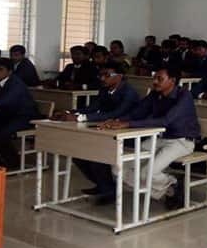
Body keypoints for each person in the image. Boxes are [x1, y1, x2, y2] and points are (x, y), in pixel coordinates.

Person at [99, 66, 200, 210]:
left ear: (172, 80)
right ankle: (170, 188)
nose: (155, 82)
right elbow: (137, 113)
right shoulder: (155, 94)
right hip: (159, 139)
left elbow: (166, 120)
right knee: (117, 168)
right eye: (154, 78)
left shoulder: (184, 95)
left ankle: (171, 184)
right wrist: (116, 121)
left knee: (147, 173)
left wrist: (128, 124)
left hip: (182, 141)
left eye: (160, 79)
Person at [51, 62, 140, 204]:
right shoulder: (104, 89)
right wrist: (70, 112)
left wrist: (80, 118)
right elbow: (92, 108)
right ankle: (104, 185)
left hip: (129, 132)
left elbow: (116, 114)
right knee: (78, 154)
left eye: (107, 75)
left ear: (119, 76)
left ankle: (108, 190)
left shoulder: (129, 93)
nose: (102, 78)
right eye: (101, 75)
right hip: (108, 129)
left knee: (95, 153)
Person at [0, 58, 39, 169]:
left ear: (9, 72)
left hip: (24, 117)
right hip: (6, 115)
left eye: (0, 69)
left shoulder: (16, 84)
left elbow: (5, 101)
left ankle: (13, 163)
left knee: (1, 134)